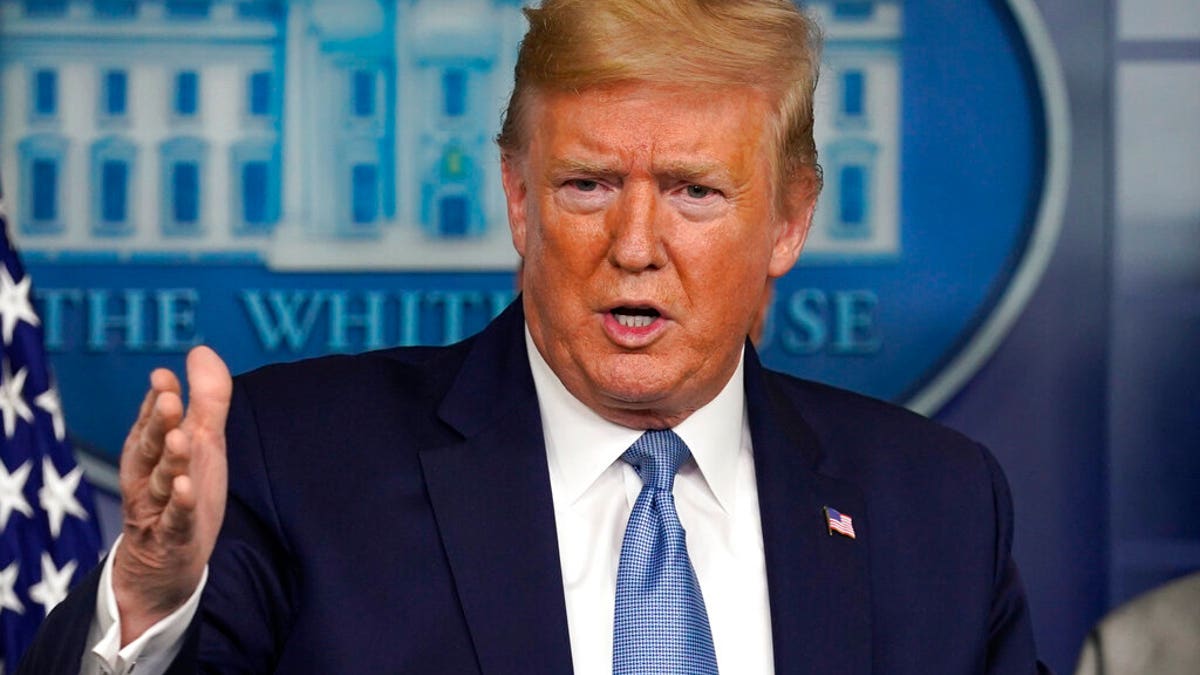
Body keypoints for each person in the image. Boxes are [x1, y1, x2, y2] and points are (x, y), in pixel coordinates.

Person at [20, 1, 1049, 673]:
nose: (634, 244)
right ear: (519, 201)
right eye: (588, 184)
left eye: (693, 192)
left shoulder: (937, 509)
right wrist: (148, 595)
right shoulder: (297, 463)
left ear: (787, 221)